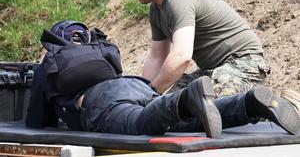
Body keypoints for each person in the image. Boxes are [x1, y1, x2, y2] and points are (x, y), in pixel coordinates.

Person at [26, 21, 300, 138]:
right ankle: (248, 104)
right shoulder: (98, 47)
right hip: (134, 85)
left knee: (140, 123)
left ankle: (184, 100)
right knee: (191, 123)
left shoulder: (51, 61)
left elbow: (37, 121)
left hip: (100, 102)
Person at [112, 0, 270, 96]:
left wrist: (152, 92)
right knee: (166, 110)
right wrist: (143, 94)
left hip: (244, 63)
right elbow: (157, 57)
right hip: (213, 70)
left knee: (200, 105)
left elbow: (182, 56)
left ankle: (282, 108)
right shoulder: (156, 9)